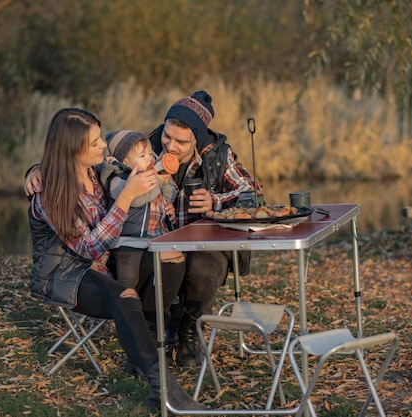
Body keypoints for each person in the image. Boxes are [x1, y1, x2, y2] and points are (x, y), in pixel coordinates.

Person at [27, 108, 204, 412]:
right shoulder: (50, 194)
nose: (102, 147)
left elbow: (122, 161)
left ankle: (145, 345)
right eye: (94, 142)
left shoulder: (97, 169)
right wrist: (126, 196)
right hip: (68, 276)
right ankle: (162, 389)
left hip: (105, 264)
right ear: (73, 149)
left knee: (172, 261)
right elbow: (91, 249)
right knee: (123, 295)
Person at [147, 90, 261, 367]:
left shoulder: (219, 154)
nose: (170, 145)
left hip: (207, 245)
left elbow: (253, 196)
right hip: (158, 242)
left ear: (196, 139)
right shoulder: (146, 148)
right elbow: (104, 168)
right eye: (167, 135)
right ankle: (161, 328)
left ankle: (190, 327)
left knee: (202, 266)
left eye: (180, 141)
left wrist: (216, 200)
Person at [100, 129, 184, 326]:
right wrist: (157, 183)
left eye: (150, 154)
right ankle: (126, 310)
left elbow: (169, 195)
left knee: (163, 270)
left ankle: (162, 305)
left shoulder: (150, 175)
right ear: (126, 163)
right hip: (127, 241)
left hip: (152, 239)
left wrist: (165, 178)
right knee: (129, 278)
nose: (149, 158)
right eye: (142, 155)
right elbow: (137, 199)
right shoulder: (118, 180)